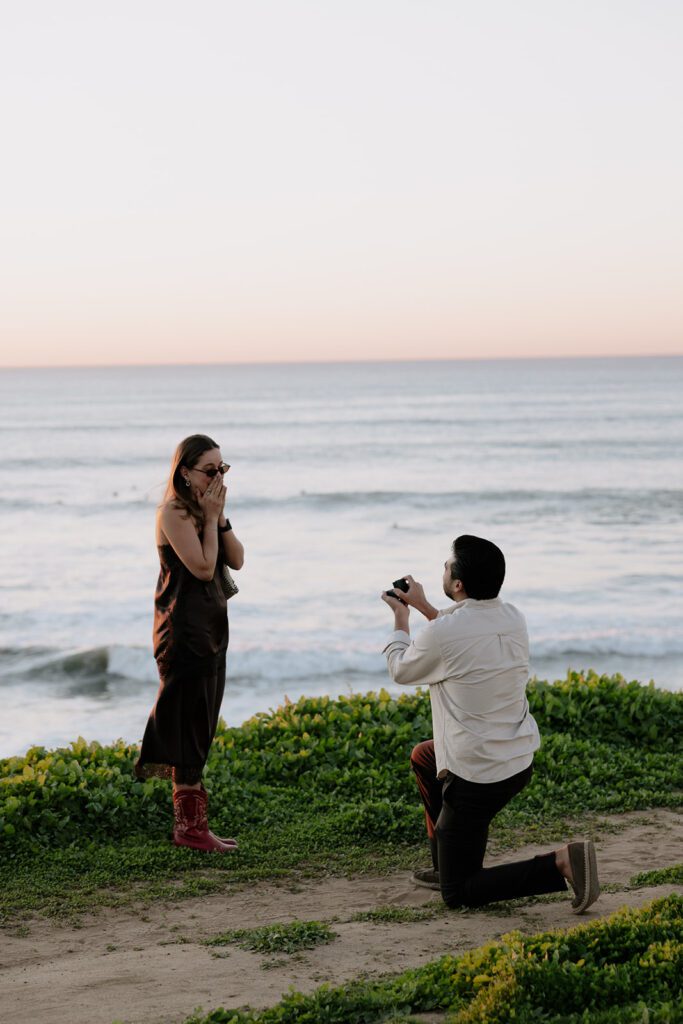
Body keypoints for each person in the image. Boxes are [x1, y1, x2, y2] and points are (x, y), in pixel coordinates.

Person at [381, 535, 599, 913]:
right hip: (516, 759)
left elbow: (401, 669)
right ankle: (445, 862)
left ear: (459, 584)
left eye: (447, 567)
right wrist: (425, 607)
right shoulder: (513, 616)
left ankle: (562, 862)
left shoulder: (443, 633)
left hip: (477, 776)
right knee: (425, 757)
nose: (443, 571)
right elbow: (462, 634)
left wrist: (402, 619)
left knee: (460, 893)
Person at [135, 434, 244, 853]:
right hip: (183, 631)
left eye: (223, 469)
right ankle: (190, 828)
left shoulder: (206, 509)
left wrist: (219, 517)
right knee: (187, 722)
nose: (218, 477)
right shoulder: (173, 513)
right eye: (210, 470)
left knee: (203, 720)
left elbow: (236, 559)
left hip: (213, 627)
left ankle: (194, 826)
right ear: (184, 471)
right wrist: (211, 518)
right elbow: (201, 567)